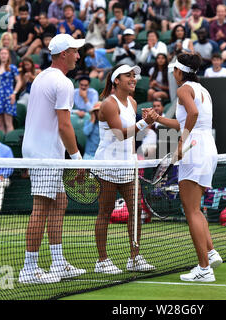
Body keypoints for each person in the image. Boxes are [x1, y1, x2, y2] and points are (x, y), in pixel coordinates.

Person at [145, 53, 222, 282]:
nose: (172, 73)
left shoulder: (182, 90)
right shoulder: (202, 90)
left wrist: (180, 141)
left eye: (173, 70)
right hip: (207, 147)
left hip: (194, 148)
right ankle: (210, 252)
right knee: (195, 209)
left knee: (191, 211)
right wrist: (157, 118)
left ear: (180, 71)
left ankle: (204, 269)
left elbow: (193, 115)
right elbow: (183, 120)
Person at [19, 33, 87, 284]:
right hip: (45, 153)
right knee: (41, 207)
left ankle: (58, 263)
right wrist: (77, 159)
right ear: (63, 54)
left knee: (60, 201)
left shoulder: (41, 78)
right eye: (74, 51)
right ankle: (29, 269)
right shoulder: (62, 83)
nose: (78, 56)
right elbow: (64, 125)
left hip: (42, 150)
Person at [92, 63, 156, 275]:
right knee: (105, 212)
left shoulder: (133, 102)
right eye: (128, 75)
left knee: (136, 211)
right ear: (116, 80)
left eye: (134, 76)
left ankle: (135, 258)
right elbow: (120, 133)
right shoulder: (108, 104)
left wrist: (147, 122)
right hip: (108, 165)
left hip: (127, 165)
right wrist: (142, 123)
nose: (133, 79)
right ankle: (102, 260)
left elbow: (130, 137)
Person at [0, 48, 23, 134]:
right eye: (1, 54)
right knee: (0, 124)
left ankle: (9, 142)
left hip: (8, 96)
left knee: (8, 123)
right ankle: (2, 142)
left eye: (5, 54)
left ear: (8, 56)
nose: (3, 55)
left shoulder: (12, 68)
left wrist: (14, 93)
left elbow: (19, 81)